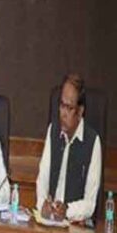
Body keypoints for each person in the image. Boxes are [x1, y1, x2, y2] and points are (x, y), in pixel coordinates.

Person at [36, 74, 102, 222]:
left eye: (69, 108)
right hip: (49, 222)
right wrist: (42, 204)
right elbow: (42, 179)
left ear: (80, 111)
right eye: (61, 105)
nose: (63, 114)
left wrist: (67, 210)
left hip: (75, 224)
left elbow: (90, 203)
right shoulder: (53, 131)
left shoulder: (92, 142)